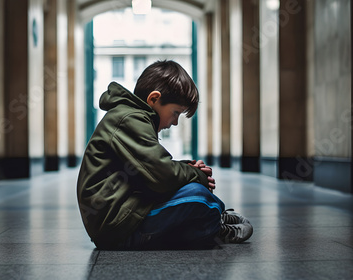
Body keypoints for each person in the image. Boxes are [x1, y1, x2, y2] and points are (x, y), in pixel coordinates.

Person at [77, 60, 252, 250]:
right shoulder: (129, 119)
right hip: (117, 226)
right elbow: (163, 176)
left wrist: (188, 168)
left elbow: (152, 168)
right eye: (175, 113)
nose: (175, 122)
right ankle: (215, 226)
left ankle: (214, 215)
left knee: (192, 192)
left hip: (125, 214)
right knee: (197, 195)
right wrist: (196, 174)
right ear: (154, 99)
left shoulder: (132, 116)